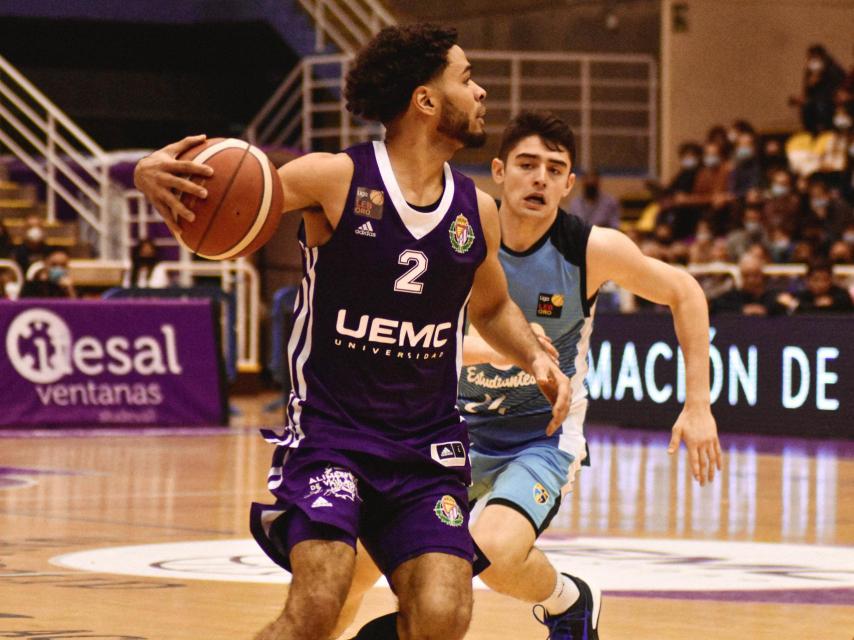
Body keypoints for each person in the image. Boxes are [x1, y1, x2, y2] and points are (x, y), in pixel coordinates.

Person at [133, 24, 570, 640]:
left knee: (444, 616)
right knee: (317, 608)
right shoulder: (333, 178)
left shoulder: (480, 211)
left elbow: (492, 308)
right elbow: (225, 201)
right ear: (425, 100)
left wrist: (534, 357)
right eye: (466, 79)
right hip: (332, 437)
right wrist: (151, 172)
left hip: (428, 448)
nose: (482, 93)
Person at [334, 111, 722, 640]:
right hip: (447, 429)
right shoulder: (459, 232)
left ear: (568, 183)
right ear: (499, 171)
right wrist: (495, 352)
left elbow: (686, 293)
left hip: (539, 438)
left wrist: (697, 403)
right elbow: (413, 326)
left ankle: (557, 602)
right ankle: (566, 601)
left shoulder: (589, 248)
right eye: (526, 164)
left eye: (554, 168)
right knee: (353, 564)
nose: (539, 177)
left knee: (491, 549)